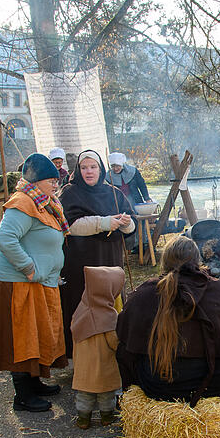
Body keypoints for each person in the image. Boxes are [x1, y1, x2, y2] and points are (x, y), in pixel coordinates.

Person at [116, 236, 220, 406]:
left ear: (165, 261)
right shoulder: (218, 289)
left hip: (160, 385)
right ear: (197, 260)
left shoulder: (146, 292)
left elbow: (123, 335)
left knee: (124, 351)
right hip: (216, 383)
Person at [0, 153, 68, 412]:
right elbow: (6, 239)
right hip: (19, 282)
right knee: (22, 335)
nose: (55, 184)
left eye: (56, 180)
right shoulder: (23, 202)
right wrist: (28, 267)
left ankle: (34, 383)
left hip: (39, 281)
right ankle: (22, 395)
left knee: (36, 333)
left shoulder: (44, 202)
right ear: (36, 181)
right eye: (51, 181)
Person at [59, 150, 135, 357]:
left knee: (110, 301)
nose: (89, 172)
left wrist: (126, 224)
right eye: (84, 168)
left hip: (110, 257)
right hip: (80, 260)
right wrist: (103, 223)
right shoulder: (69, 193)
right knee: (81, 304)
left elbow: (131, 223)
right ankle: (80, 354)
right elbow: (69, 225)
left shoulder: (113, 192)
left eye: (93, 167)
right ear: (78, 170)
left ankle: (112, 349)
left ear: (100, 169)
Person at [71, 266, 125, 429]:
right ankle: (106, 417)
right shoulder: (108, 316)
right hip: (103, 367)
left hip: (83, 367)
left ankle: (83, 419)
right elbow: (114, 342)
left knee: (84, 396)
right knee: (106, 396)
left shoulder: (80, 310)